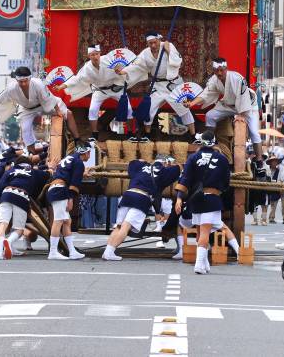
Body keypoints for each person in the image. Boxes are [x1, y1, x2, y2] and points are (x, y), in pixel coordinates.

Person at [0, 67, 81, 151]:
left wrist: (58, 110)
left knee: (69, 114)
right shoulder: (11, 88)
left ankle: (78, 141)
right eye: (21, 82)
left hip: (44, 104)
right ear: (16, 80)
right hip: (26, 109)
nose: (24, 84)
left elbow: (49, 98)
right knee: (25, 131)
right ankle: (36, 152)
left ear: (29, 78)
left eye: (26, 81)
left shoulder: (38, 83)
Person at [116, 33, 196, 138]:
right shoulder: (145, 53)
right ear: (147, 43)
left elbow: (178, 62)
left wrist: (168, 51)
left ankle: (193, 135)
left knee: (183, 109)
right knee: (148, 109)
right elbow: (136, 65)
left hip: (173, 85)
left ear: (159, 40)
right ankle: (147, 135)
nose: (153, 45)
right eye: (150, 43)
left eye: (155, 42)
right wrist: (123, 71)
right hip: (157, 85)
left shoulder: (168, 45)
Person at [174, 130, 232, 274]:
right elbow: (226, 182)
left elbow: (185, 179)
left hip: (196, 198)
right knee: (205, 232)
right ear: (214, 142)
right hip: (212, 198)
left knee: (200, 231)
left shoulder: (193, 157)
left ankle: (205, 264)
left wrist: (179, 198)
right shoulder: (222, 159)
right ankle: (199, 265)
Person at [103, 156, 181, 261]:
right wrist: (171, 165)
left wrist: (144, 161)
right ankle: (110, 252)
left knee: (119, 226)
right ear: (165, 163)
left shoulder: (142, 167)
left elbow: (132, 163)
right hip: (142, 198)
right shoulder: (165, 171)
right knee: (125, 227)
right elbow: (179, 168)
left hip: (128, 195)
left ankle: (107, 252)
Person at [187, 58, 261, 155]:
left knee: (254, 133)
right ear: (214, 71)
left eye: (222, 70)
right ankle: (210, 141)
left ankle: (259, 160)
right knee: (210, 116)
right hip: (228, 105)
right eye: (217, 71)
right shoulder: (214, 79)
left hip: (248, 106)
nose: (219, 73)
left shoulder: (237, 78)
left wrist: (241, 115)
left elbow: (243, 97)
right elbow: (206, 94)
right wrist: (191, 103)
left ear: (226, 69)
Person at [64, 45, 127, 140]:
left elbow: (122, 64)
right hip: (99, 90)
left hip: (115, 88)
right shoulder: (87, 67)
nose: (95, 57)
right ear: (89, 56)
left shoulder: (107, 60)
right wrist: (63, 86)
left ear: (100, 54)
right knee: (92, 110)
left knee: (128, 109)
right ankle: (94, 133)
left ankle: (131, 133)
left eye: (96, 54)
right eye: (92, 55)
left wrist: (123, 60)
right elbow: (77, 79)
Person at [0, 158, 50, 260]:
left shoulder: (10, 170)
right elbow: (47, 176)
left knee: (3, 224)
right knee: (19, 229)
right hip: (21, 195)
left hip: (6, 193)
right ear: (29, 164)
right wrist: (51, 167)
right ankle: (9, 241)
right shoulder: (34, 172)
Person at [47, 143, 91, 260]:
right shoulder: (79, 162)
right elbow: (74, 182)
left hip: (55, 188)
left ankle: (72, 251)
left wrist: (82, 173)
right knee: (59, 220)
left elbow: (66, 174)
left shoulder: (69, 158)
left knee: (67, 221)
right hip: (60, 190)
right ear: (85, 152)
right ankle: (53, 252)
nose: (89, 155)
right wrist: (70, 198)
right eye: (89, 153)